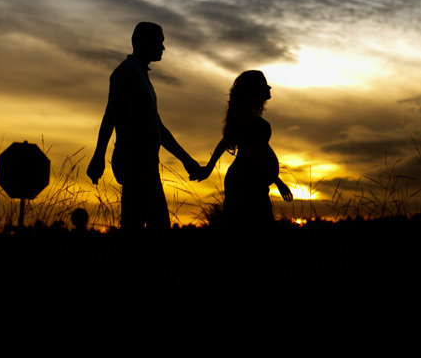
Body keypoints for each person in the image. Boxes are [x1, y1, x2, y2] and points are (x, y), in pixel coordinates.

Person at [87, 22, 201, 232]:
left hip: (144, 161)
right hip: (135, 162)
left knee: (133, 227)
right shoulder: (127, 72)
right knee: (159, 226)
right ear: (144, 42)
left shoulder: (140, 75)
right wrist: (98, 156)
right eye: (160, 42)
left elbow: (158, 129)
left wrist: (187, 160)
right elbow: (111, 115)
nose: (163, 48)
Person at [194, 70, 293, 228]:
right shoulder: (244, 112)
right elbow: (227, 142)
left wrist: (277, 181)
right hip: (245, 181)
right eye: (264, 84)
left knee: (257, 233)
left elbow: (256, 155)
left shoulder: (250, 112)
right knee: (248, 233)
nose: (269, 87)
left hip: (254, 180)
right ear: (254, 88)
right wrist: (209, 168)